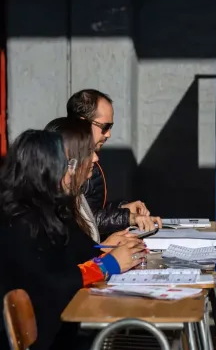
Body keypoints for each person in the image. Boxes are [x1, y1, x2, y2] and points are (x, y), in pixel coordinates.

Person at [0, 130, 147, 350]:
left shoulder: (51, 208)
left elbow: (83, 252)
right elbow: (50, 283)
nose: (72, 172)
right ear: (45, 170)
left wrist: (108, 250)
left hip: (65, 331)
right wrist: (107, 264)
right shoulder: (18, 222)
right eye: (67, 165)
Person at [66, 89, 161, 235]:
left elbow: (90, 211)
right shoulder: (65, 162)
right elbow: (82, 220)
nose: (109, 134)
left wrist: (123, 209)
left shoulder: (84, 159)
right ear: (82, 124)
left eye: (111, 127)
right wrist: (128, 218)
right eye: (105, 127)